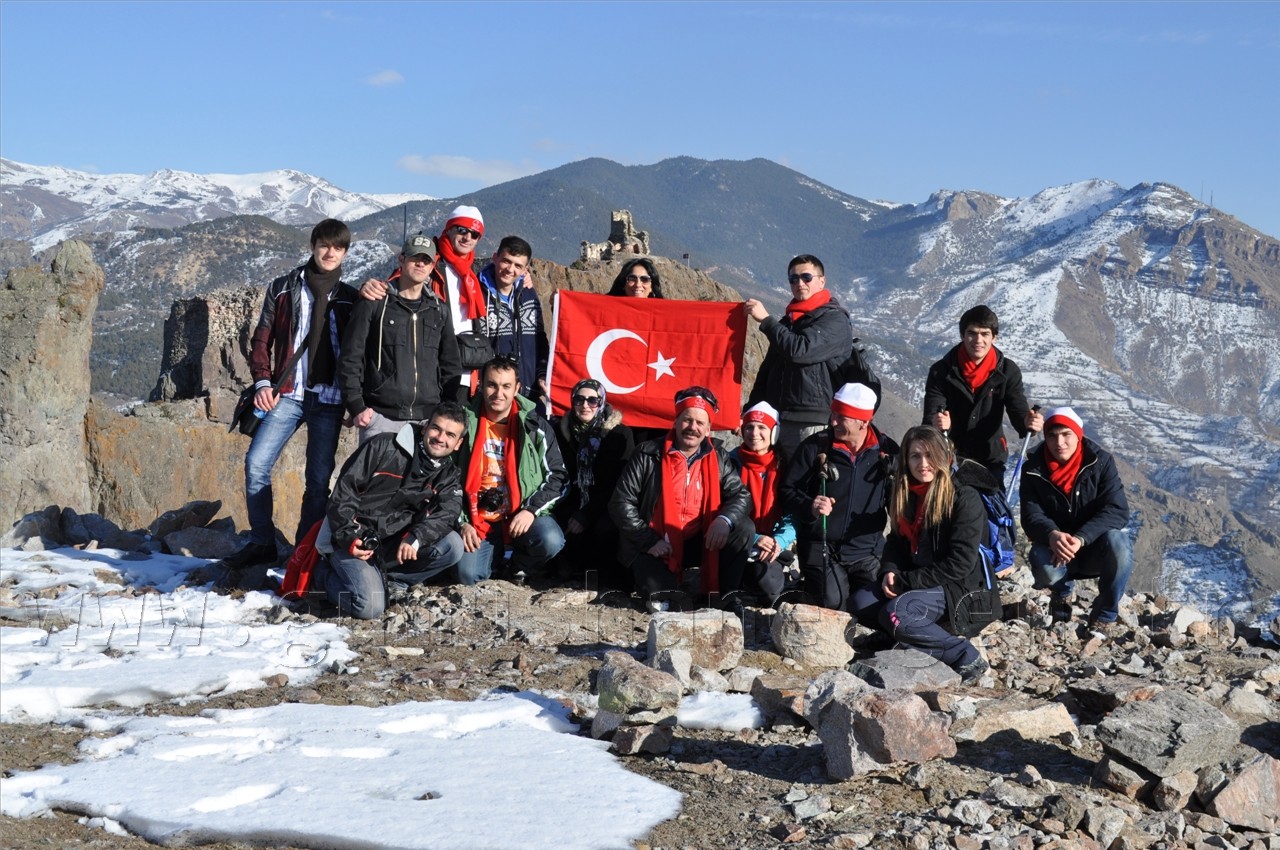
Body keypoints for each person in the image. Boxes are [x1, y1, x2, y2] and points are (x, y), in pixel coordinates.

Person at [221, 219, 357, 579]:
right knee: (256, 464)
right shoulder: (282, 288)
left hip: (329, 398)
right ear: (313, 246)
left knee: (318, 482)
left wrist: (354, 400)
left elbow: (357, 353)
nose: (330, 253)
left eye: (337, 247)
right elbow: (261, 340)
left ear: (345, 253)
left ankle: (303, 554)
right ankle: (262, 541)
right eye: (324, 245)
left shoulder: (350, 297)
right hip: (287, 394)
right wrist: (263, 383)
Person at [850, 425, 992, 682]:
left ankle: (965, 656)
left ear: (943, 456)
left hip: (960, 589)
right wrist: (890, 570)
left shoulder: (964, 498)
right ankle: (901, 636)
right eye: (915, 456)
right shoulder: (907, 493)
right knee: (861, 603)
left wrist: (906, 582)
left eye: (930, 455)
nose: (923, 463)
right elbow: (896, 541)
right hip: (921, 580)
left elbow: (960, 563)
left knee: (896, 613)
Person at [610, 386, 754, 611]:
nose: (693, 428)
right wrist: (649, 541)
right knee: (670, 603)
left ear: (708, 429)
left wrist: (724, 520)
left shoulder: (718, 457)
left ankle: (725, 596)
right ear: (676, 422)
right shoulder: (647, 453)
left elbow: (741, 495)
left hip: (699, 539)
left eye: (700, 423)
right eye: (687, 420)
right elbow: (621, 503)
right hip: (657, 541)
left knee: (743, 527)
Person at [317, 404, 468, 619]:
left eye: (450, 435)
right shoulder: (383, 446)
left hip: (391, 544)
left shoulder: (448, 475)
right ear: (425, 428)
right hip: (352, 540)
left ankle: (394, 580)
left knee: (453, 545)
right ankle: (321, 577)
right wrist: (350, 535)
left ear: (458, 443)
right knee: (369, 608)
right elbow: (344, 493)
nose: (440, 438)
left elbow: (447, 512)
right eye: (436, 428)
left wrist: (417, 537)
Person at [781, 383, 896, 612]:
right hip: (821, 546)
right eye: (833, 414)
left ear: (863, 421)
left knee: (877, 607)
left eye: (841, 417)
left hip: (867, 551)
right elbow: (786, 490)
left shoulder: (888, 454)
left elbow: (901, 503)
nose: (833, 422)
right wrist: (810, 505)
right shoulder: (815, 447)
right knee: (833, 605)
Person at [338, 234, 462, 443]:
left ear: (432, 266)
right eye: (415, 258)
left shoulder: (439, 311)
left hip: (427, 422)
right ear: (401, 260)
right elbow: (351, 357)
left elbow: (450, 365)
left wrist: (445, 413)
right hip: (381, 418)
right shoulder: (374, 303)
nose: (420, 264)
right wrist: (356, 406)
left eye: (426, 260)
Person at [454, 355, 567, 584]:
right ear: (480, 385)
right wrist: (462, 522)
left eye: (506, 386)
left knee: (551, 539)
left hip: (520, 516)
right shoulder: (463, 423)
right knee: (468, 575)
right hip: (477, 518)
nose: (499, 393)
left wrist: (531, 510)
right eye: (492, 385)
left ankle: (517, 566)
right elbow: (444, 478)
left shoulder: (534, 426)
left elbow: (558, 476)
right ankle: (493, 559)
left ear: (517, 388)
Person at [1020, 406, 1132, 630]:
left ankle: (1104, 616)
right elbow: (1031, 514)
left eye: (1066, 434)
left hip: (1094, 547)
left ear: (1078, 435)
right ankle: (1062, 594)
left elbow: (1117, 510)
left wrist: (1081, 538)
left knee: (1120, 544)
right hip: (1055, 551)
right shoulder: (1033, 469)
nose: (1059, 442)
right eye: (1052, 435)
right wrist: (1052, 535)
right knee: (1040, 558)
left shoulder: (1101, 463)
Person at [361, 206, 489, 400]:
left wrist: (524, 278)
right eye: (462, 230)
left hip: (466, 373)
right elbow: (395, 284)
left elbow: (504, 275)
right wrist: (369, 286)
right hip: (430, 371)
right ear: (449, 229)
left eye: (475, 234)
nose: (467, 237)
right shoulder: (428, 263)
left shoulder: (472, 274)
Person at [745, 254, 854, 463]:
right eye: (793, 279)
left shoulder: (834, 320)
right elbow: (767, 370)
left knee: (804, 478)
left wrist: (767, 321)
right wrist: (751, 410)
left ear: (822, 281)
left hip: (811, 421)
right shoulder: (789, 321)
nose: (799, 283)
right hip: (777, 418)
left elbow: (800, 350)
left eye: (806, 277)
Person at [922, 304, 1043, 487]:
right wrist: (937, 423)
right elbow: (931, 415)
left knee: (992, 504)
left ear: (994, 337)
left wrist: (1028, 423)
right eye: (972, 333)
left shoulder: (1008, 371)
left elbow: (1018, 410)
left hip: (991, 459)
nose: (978, 340)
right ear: (962, 335)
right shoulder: (941, 372)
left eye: (985, 334)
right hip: (951, 458)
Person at [551, 378, 635, 588]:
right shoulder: (560, 432)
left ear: (602, 402)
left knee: (604, 530)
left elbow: (618, 483)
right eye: (579, 399)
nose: (585, 405)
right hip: (570, 501)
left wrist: (586, 514)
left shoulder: (619, 434)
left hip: (606, 504)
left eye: (592, 400)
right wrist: (574, 512)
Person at [727, 401, 797, 604]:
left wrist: (778, 542)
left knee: (770, 587)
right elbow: (722, 508)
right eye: (749, 427)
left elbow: (792, 513)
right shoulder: (730, 462)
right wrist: (755, 538)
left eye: (761, 427)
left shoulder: (784, 466)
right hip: (736, 538)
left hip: (771, 541)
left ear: (774, 432)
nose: (754, 433)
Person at [478, 236, 549, 404]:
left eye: (518, 266)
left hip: (528, 393)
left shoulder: (528, 294)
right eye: (506, 261)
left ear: (525, 269)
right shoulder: (477, 294)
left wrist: (542, 373)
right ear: (495, 258)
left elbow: (539, 338)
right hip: (493, 395)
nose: (510, 269)